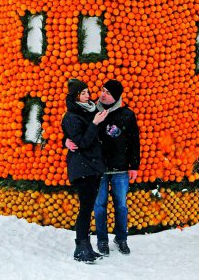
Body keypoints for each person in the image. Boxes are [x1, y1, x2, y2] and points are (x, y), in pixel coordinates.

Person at [66, 79, 140, 256]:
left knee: (121, 206)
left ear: (116, 97)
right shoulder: (91, 111)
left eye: (107, 92)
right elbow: (78, 132)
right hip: (97, 168)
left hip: (121, 168)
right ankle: (102, 240)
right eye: (102, 90)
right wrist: (66, 141)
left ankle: (121, 238)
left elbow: (134, 140)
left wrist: (134, 165)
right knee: (99, 205)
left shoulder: (127, 114)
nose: (102, 94)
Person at [61, 79, 108, 264]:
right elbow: (82, 143)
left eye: (88, 92)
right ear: (75, 96)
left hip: (94, 166)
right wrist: (95, 123)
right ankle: (80, 247)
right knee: (85, 209)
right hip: (82, 168)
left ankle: (86, 246)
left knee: (87, 209)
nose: (87, 95)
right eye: (83, 93)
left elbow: (95, 136)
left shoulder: (90, 111)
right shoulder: (71, 116)